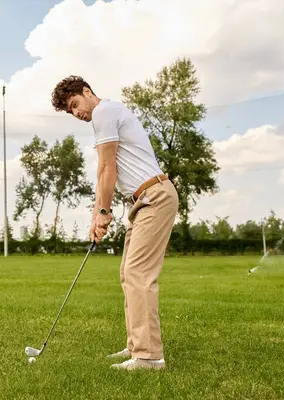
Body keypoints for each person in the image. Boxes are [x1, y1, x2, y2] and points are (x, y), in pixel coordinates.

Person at [50, 75, 179, 371]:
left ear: (87, 92)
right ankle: (136, 345)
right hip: (143, 201)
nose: (77, 113)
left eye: (75, 104)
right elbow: (103, 172)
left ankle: (148, 357)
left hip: (154, 196)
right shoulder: (106, 114)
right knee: (127, 272)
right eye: (71, 112)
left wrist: (103, 213)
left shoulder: (104, 112)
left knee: (138, 273)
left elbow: (107, 167)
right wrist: (99, 212)